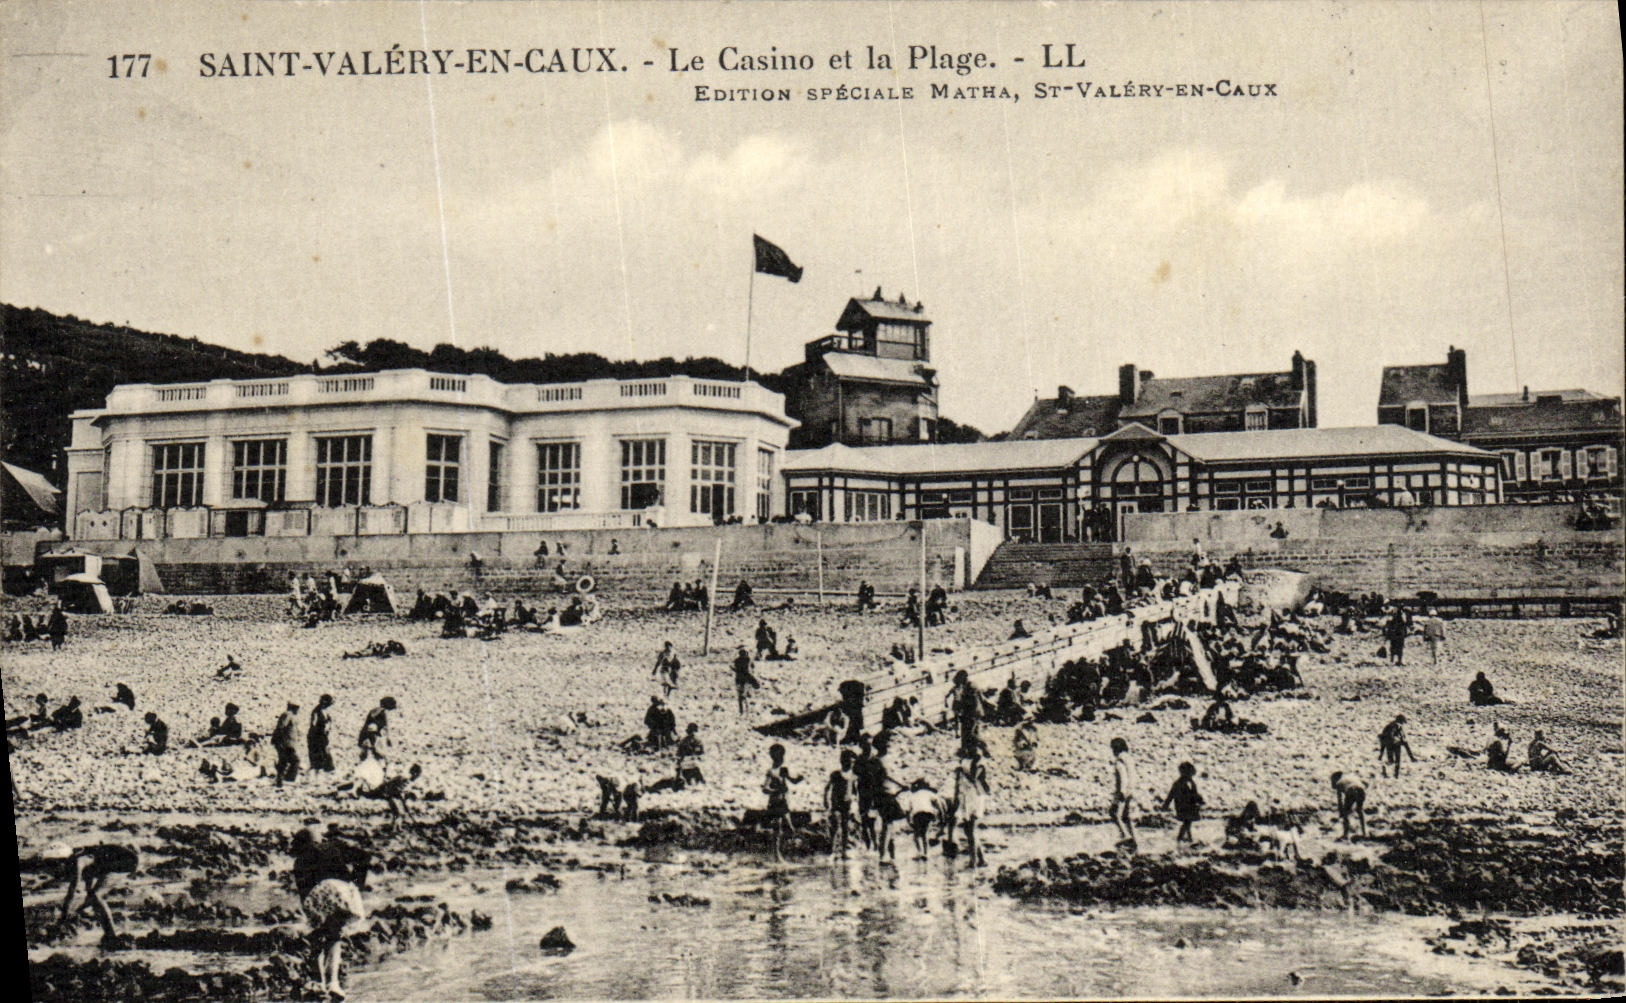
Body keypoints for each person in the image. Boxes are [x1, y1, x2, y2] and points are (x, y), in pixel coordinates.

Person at [290, 826, 370, 1000]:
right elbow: (363, 856)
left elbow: (305, 895)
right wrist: (356, 883)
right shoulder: (334, 847)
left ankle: (319, 983)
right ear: (320, 840)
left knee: (318, 938)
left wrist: (313, 918)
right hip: (340, 891)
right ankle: (333, 983)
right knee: (335, 937)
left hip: (318, 894)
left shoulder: (300, 861)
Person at [44, 842, 140, 944]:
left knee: (96, 896)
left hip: (126, 862)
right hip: (113, 863)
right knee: (93, 897)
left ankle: (112, 936)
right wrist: (80, 909)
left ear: (63, 860)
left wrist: (63, 917)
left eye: (54, 864)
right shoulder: (79, 861)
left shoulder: (78, 863)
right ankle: (109, 934)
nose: (53, 868)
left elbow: (71, 892)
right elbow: (88, 886)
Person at [763, 743, 803, 862]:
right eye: (779, 756)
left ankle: (782, 852)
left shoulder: (784, 770)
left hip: (784, 802)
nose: (781, 759)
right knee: (778, 828)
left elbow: (793, 781)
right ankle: (777, 855)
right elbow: (765, 789)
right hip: (775, 802)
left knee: (789, 828)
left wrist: (799, 779)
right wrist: (776, 790)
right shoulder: (771, 772)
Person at [953, 747, 991, 867]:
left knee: (972, 828)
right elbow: (958, 782)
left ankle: (973, 861)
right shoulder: (964, 762)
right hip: (965, 795)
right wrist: (956, 797)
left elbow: (974, 778)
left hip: (975, 794)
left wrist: (962, 771)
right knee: (967, 830)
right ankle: (981, 859)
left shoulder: (980, 763)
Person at [361, 763, 423, 829]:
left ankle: (395, 827)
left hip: (388, 794)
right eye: (417, 775)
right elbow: (393, 789)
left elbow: (397, 790)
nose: (416, 777)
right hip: (386, 794)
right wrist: (400, 797)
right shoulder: (405, 779)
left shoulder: (404, 779)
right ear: (415, 773)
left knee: (397, 813)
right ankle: (394, 828)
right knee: (397, 813)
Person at [1159, 761, 1205, 847]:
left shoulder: (1191, 782)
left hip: (1190, 806)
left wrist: (1199, 800)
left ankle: (1188, 838)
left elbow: (1194, 794)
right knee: (1187, 822)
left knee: (1188, 822)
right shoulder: (1178, 783)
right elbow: (1171, 794)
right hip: (1182, 806)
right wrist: (1166, 804)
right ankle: (1180, 839)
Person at [824, 749, 856, 856]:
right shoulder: (836, 774)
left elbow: (854, 790)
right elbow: (827, 787)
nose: (851, 764)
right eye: (849, 762)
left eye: (852, 762)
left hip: (847, 805)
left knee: (845, 827)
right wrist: (825, 800)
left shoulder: (852, 776)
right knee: (836, 824)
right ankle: (832, 849)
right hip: (836, 803)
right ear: (842, 761)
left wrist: (855, 800)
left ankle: (844, 851)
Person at [1109, 737, 1137, 851]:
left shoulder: (1119, 761)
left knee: (1114, 813)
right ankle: (1133, 837)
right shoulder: (1129, 759)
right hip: (1131, 789)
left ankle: (1125, 836)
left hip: (1123, 790)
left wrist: (1122, 792)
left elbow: (1123, 777)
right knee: (1126, 816)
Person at [1331, 771, 1368, 840]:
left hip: (1351, 790)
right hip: (1361, 790)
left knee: (1346, 813)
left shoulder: (1339, 783)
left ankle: (1346, 834)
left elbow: (1340, 800)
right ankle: (1364, 833)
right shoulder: (1351, 776)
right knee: (1359, 810)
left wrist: (1341, 812)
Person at [273, 702, 301, 785]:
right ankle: (288, 779)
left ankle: (281, 779)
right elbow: (281, 728)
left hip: (288, 743)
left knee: (283, 761)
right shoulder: (287, 715)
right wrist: (281, 742)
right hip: (286, 743)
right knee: (295, 760)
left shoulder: (290, 715)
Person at [308, 695, 336, 773]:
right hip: (317, 737)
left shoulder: (325, 711)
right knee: (319, 754)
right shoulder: (317, 711)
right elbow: (313, 724)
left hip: (323, 736)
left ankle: (326, 770)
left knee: (325, 753)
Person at [732, 646, 760, 715]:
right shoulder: (748, 659)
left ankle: (741, 710)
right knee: (755, 686)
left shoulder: (736, 661)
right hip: (746, 677)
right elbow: (752, 666)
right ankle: (746, 701)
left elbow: (735, 668)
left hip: (739, 678)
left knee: (740, 695)